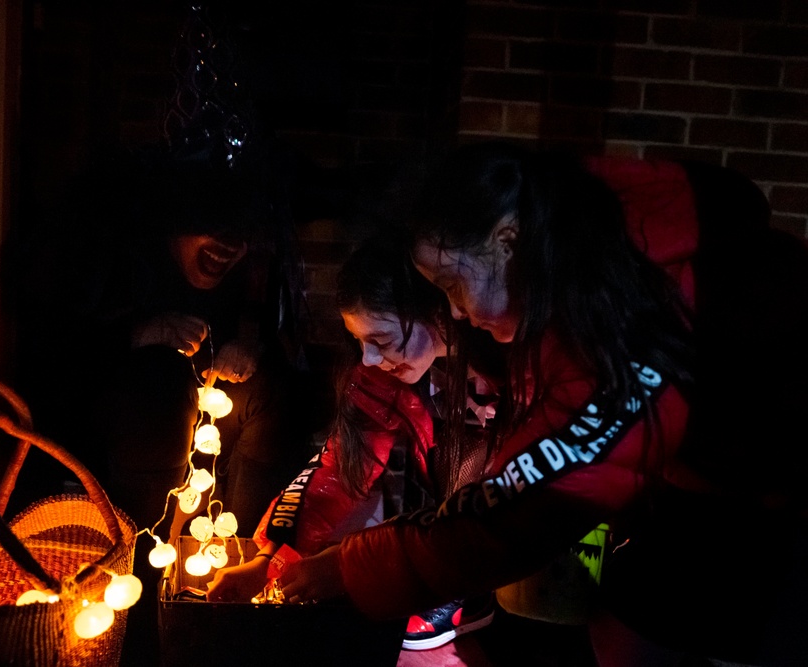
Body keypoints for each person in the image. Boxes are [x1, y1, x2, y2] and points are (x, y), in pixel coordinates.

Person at [275, 142, 808, 666]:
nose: (455, 313)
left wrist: (349, 568)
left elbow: (517, 510)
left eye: (451, 285)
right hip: (714, 486)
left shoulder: (627, 320)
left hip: (768, 496)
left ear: (507, 241)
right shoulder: (572, 287)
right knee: (628, 627)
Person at [206, 233, 504, 650]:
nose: (367, 358)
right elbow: (338, 470)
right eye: (359, 342)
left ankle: (463, 593)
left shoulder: (508, 372)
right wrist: (267, 561)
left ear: (435, 312)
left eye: (379, 340)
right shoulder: (381, 378)